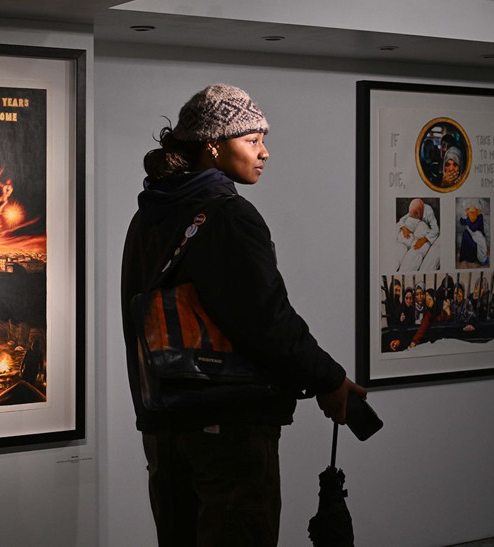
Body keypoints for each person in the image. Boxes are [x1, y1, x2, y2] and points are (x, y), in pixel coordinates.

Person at [120, 83, 366, 546]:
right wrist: (330, 379)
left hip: (163, 422)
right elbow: (267, 320)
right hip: (229, 427)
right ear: (213, 146)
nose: (264, 152)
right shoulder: (229, 215)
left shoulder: (148, 216)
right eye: (252, 140)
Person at [395, 198, 440, 272]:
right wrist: (404, 229)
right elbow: (402, 220)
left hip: (425, 230)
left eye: (412, 215)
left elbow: (436, 230)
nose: (410, 216)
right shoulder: (413, 209)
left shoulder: (429, 212)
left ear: (418, 214)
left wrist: (423, 240)